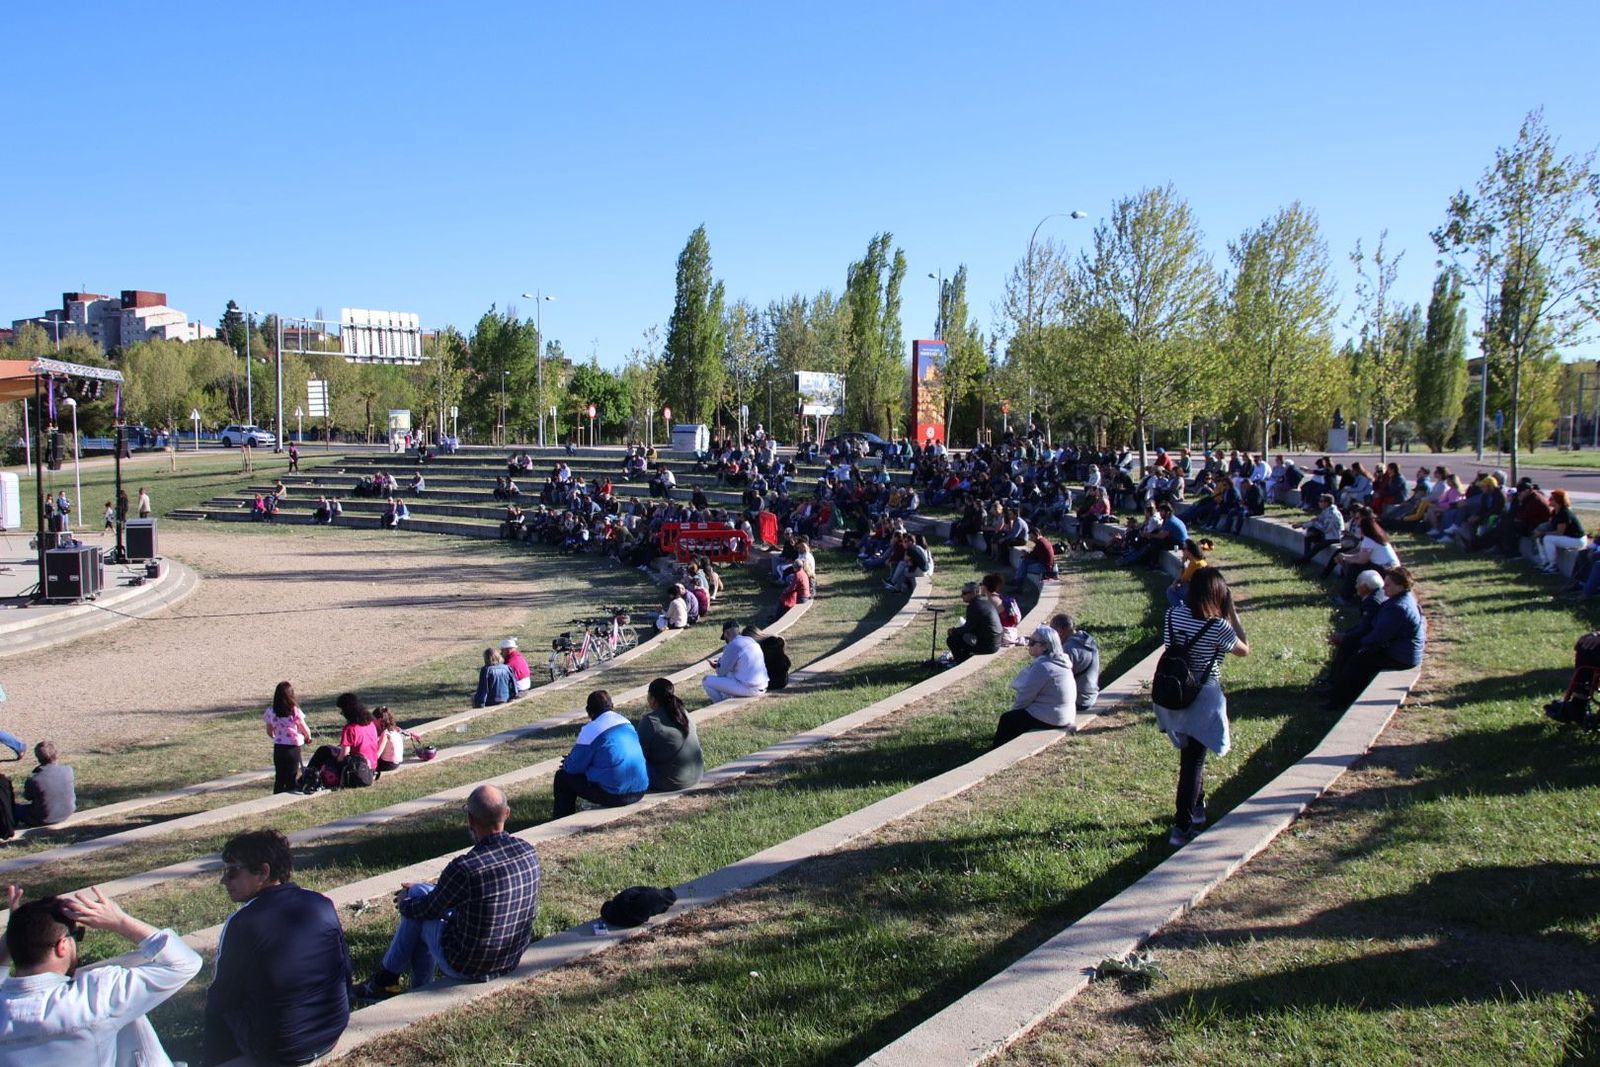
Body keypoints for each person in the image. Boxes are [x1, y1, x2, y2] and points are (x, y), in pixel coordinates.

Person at [354, 784, 540, 999]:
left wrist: (406, 902)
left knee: (418, 907)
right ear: (507, 813)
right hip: (509, 956)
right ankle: (397, 982)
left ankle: (390, 981)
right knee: (422, 891)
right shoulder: (528, 851)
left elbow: (429, 909)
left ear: (470, 820)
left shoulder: (466, 868)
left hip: (470, 966)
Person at [0, 884, 203, 1066]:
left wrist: (14, 935)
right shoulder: (95, 994)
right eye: (77, 937)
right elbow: (184, 963)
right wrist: (121, 921)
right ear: (62, 946)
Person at [202, 830, 351, 1066]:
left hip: (281, 1049)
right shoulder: (321, 903)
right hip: (331, 1030)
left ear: (263, 872)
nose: (224, 881)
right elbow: (345, 971)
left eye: (232, 872)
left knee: (221, 1003)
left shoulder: (243, 922)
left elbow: (222, 997)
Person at [1153, 568, 1250, 847]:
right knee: (1193, 763)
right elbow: (1245, 649)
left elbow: (1172, 646)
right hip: (1202, 697)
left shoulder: (1173, 615)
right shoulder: (1219, 626)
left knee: (1191, 756)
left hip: (1173, 693)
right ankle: (1181, 827)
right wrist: (1232, 613)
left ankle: (1197, 809)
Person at [1326, 566, 1425, 709]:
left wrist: (1361, 644)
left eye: (1388, 585)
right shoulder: (1403, 598)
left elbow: (1379, 635)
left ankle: (1338, 701)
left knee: (1357, 661)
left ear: (1400, 586)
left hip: (1401, 657)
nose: (1384, 588)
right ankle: (1337, 691)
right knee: (1357, 654)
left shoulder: (1398, 607)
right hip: (1403, 651)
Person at [551, 691, 649, 818]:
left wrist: (568, 762)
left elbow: (573, 768)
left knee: (562, 777)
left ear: (589, 712)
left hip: (614, 795)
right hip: (640, 789)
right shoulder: (626, 722)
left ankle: (561, 818)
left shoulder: (591, 729)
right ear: (611, 706)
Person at [992, 626, 1079, 747]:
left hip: (1053, 719)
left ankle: (997, 749)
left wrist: (1015, 712)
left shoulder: (1043, 666)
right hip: (1066, 715)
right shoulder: (1062, 661)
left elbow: (1025, 696)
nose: (1029, 645)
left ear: (1044, 646)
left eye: (1032, 642)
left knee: (1008, 719)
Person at [300, 694, 380, 793]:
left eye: (342, 711)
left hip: (356, 767)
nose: (341, 713)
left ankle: (306, 779)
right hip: (372, 766)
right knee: (328, 749)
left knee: (324, 751)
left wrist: (335, 758)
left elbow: (343, 756)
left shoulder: (350, 729)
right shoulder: (371, 723)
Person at [636, 677, 703, 792]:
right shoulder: (683, 713)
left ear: (652, 698)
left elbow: (638, 755)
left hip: (671, 781)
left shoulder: (651, 721)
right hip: (697, 774)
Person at [263, 681, 313, 795]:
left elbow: (269, 731)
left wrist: (276, 736)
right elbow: (305, 729)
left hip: (279, 747)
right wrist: (308, 737)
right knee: (291, 777)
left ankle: (275, 797)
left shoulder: (271, 711)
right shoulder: (295, 711)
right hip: (293, 748)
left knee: (279, 776)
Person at [703, 621, 769, 702]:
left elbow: (721, 673)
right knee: (729, 675)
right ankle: (726, 698)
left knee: (706, 680)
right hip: (763, 685)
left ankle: (720, 704)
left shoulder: (733, 645)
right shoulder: (750, 639)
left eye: (725, 637)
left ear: (726, 633)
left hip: (750, 688)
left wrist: (717, 665)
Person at [14, 741, 75, 828]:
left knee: (14, 808)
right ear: (56, 754)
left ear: (38, 758)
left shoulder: (34, 779)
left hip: (43, 818)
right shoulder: (69, 770)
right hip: (67, 813)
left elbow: (28, 797)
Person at [1050, 612, 1101, 714]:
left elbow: (1058, 679)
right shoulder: (1086, 638)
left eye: (1052, 632)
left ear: (1060, 632)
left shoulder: (1069, 649)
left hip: (1080, 701)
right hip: (1091, 694)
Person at [944, 581, 1003, 666]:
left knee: (952, 640)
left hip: (989, 646)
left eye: (964, 593)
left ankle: (961, 663)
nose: (961, 596)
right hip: (996, 642)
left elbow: (968, 628)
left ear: (974, 593)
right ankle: (965, 657)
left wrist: (953, 631)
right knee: (961, 636)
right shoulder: (984, 602)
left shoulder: (974, 607)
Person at [374, 706, 423, 775]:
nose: (372, 722)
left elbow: (377, 755)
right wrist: (412, 734)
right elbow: (402, 731)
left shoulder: (385, 734)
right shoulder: (394, 729)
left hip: (388, 764)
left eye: (373, 720)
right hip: (397, 762)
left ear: (379, 720)